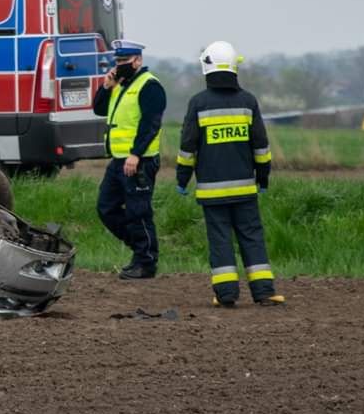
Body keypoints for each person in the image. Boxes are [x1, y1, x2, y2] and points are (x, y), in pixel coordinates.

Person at [176, 41, 285, 307]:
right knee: (252, 238)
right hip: (245, 190)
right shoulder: (248, 101)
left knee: (220, 240)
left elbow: (187, 146)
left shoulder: (198, 103)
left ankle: (226, 295)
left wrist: (182, 179)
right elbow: (261, 145)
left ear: (206, 67)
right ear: (235, 67)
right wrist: (263, 178)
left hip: (212, 193)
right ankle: (264, 292)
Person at [93, 40, 166, 280]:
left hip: (139, 161)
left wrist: (136, 153)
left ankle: (145, 262)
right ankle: (140, 249)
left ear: (138, 60)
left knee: (138, 212)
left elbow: (150, 124)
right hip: (118, 160)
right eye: (118, 61)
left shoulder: (150, 86)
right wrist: (106, 86)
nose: (120, 65)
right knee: (106, 208)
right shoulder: (120, 85)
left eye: (125, 61)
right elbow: (99, 109)